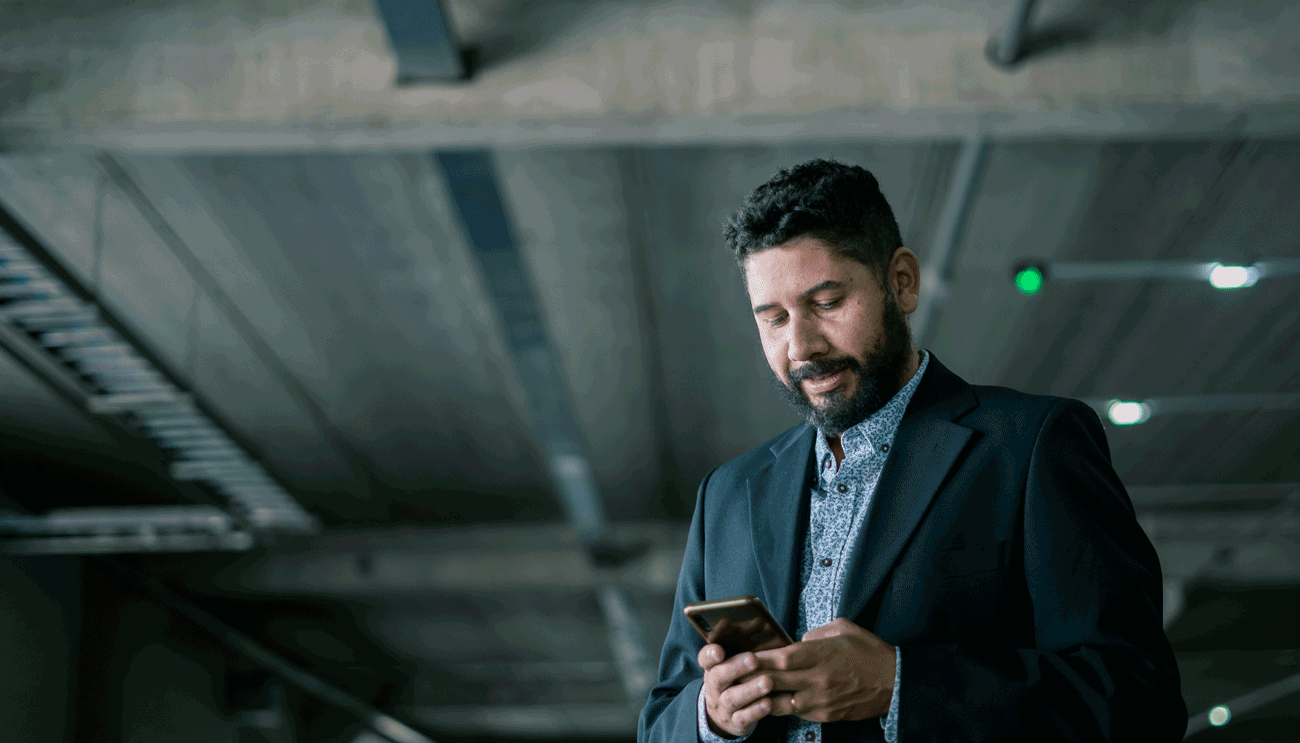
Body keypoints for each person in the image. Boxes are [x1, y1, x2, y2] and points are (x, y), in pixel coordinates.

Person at [637, 159, 1187, 742]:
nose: (800, 346)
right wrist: (713, 718)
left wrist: (899, 686)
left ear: (901, 281)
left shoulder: (1031, 445)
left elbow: (1137, 700)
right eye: (773, 318)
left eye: (826, 303)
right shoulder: (727, 493)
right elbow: (660, 722)